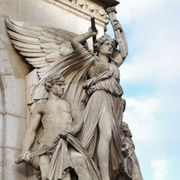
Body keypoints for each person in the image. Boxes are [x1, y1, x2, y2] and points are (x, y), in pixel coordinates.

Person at [15, 73, 100, 180]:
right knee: (47, 176)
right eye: (59, 84)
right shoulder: (41, 106)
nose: (63, 87)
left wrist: (71, 131)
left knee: (81, 163)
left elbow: (79, 120)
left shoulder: (69, 104)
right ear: (50, 86)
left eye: (63, 84)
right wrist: (24, 151)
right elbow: (31, 130)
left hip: (67, 144)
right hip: (47, 147)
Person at [70, 26, 126, 180]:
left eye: (111, 45)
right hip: (100, 97)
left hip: (115, 101)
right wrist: (89, 33)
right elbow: (74, 42)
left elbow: (124, 52)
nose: (110, 46)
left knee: (113, 136)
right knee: (106, 133)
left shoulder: (114, 65)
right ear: (98, 46)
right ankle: (104, 176)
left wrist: (116, 25)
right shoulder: (91, 60)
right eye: (107, 44)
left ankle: (104, 172)